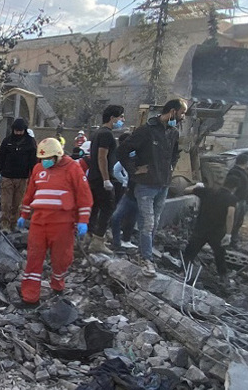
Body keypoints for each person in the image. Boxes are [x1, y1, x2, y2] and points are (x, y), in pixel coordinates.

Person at [17, 138, 92, 304]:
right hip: (38, 223)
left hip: (62, 224)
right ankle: (29, 297)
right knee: (33, 259)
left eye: (48, 159)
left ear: (58, 155)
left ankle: (57, 284)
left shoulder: (73, 168)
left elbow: (84, 195)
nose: (45, 162)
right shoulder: (38, 169)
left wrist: (83, 220)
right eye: (42, 159)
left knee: (61, 259)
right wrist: (24, 215)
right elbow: (29, 194)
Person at [119, 98, 186, 276]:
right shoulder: (146, 131)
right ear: (172, 111)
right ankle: (146, 259)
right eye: (181, 113)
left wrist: (170, 168)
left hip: (163, 185)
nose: (183, 118)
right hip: (146, 186)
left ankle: (145, 253)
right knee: (147, 223)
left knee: (154, 223)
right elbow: (123, 150)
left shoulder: (173, 133)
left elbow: (175, 154)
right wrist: (134, 170)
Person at [181, 183, 237, 284]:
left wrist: (196, 186)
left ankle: (183, 271)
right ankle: (223, 277)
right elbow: (230, 215)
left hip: (201, 228)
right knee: (220, 254)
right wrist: (228, 234)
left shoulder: (207, 191)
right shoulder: (231, 198)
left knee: (190, 252)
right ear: (234, 188)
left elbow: (185, 190)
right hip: (217, 232)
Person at [87, 105, 124, 254]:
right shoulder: (106, 135)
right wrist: (106, 179)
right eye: (121, 117)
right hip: (101, 178)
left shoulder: (97, 133)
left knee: (94, 207)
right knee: (108, 208)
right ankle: (98, 240)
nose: (122, 120)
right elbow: (102, 156)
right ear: (112, 118)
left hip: (93, 177)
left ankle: (88, 237)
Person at [0, 118, 37, 231]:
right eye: (16, 131)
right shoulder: (7, 141)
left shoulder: (30, 143)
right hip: (7, 177)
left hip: (22, 178)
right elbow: (0, 159)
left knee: (17, 204)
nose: (18, 133)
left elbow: (33, 162)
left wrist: (34, 177)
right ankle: (4, 225)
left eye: (20, 131)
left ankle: (13, 224)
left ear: (24, 130)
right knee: (6, 204)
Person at [224, 153, 248, 247]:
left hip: (240, 200)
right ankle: (230, 240)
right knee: (233, 221)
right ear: (245, 162)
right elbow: (231, 186)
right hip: (236, 201)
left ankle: (233, 239)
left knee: (238, 221)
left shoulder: (241, 171)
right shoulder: (235, 172)